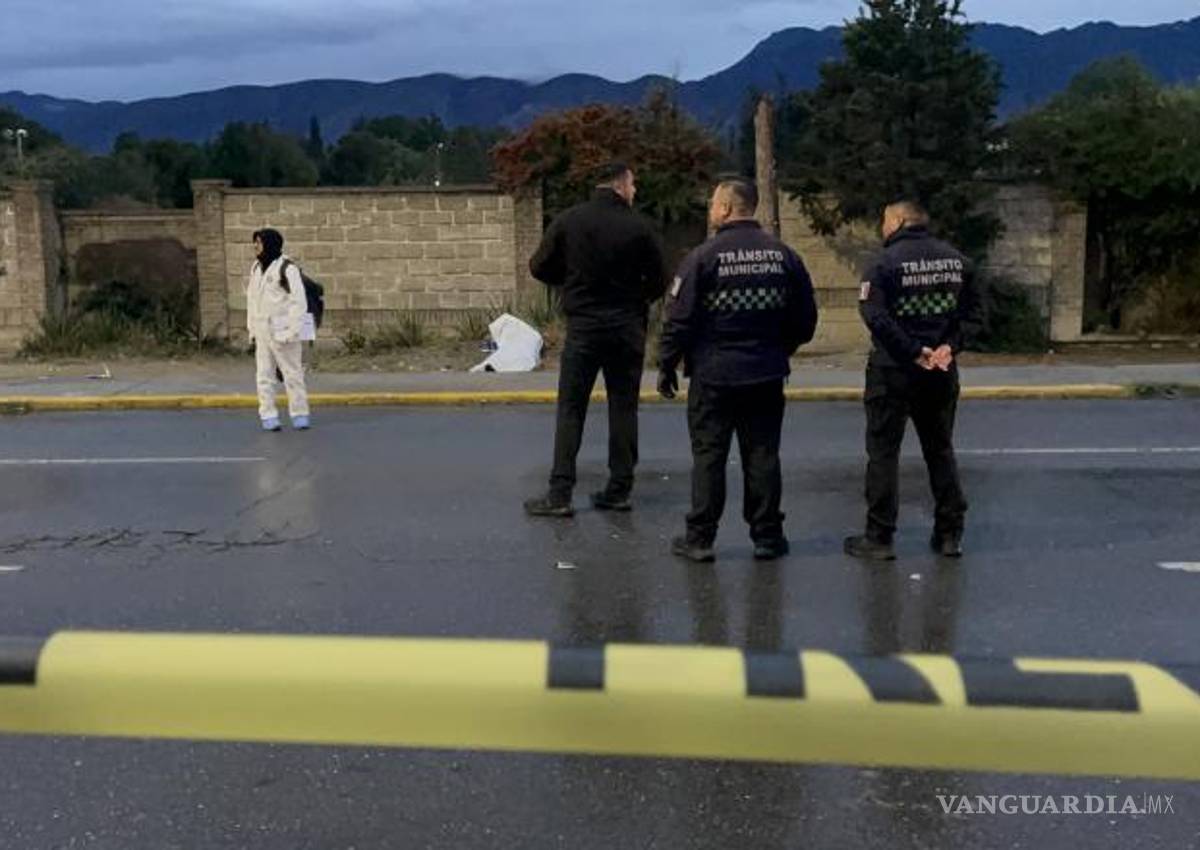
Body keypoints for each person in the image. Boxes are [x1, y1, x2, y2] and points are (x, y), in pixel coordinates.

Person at [658, 179, 819, 562]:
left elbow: (679, 320)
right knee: (763, 454)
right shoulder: (785, 256)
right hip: (765, 372)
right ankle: (767, 537)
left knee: (709, 456)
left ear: (727, 209)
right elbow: (805, 320)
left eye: (713, 204)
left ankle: (700, 539)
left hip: (714, 374)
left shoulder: (703, 257)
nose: (711, 210)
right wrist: (780, 349)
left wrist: (667, 364)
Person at [523, 162, 667, 518]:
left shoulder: (570, 221)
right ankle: (619, 488)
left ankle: (560, 493)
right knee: (623, 407)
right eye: (633, 184)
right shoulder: (640, 227)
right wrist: (637, 299)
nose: (635, 191)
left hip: (584, 327)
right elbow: (661, 278)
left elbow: (539, 266)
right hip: (626, 327)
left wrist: (570, 279)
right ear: (620, 185)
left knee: (572, 408)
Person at [844, 201, 981, 561]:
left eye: (884, 220)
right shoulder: (958, 261)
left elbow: (874, 314)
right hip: (940, 370)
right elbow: (975, 315)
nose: (882, 227)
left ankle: (880, 536)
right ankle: (950, 533)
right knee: (940, 450)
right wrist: (949, 347)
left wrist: (910, 350)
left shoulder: (884, 263)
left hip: (893, 369)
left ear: (901, 221)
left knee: (883, 454)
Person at [246, 228, 311, 432]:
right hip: (262, 330)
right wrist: (252, 330)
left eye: (259, 242)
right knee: (264, 375)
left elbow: (298, 302)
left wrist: (291, 331)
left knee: (292, 374)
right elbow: (252, 300)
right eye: (254, 242)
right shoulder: (256, 267)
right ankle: (268, 415)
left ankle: (299, 413)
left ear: (271, 243)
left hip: (283, 331)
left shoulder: (287, 268)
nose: (256, 246)